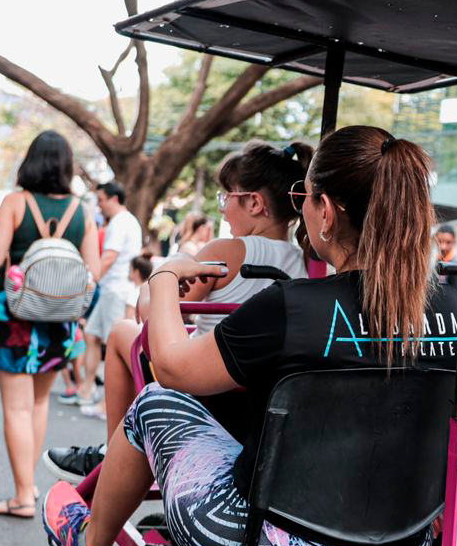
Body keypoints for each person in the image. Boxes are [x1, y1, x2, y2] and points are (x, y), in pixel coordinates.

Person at [42, 125, 457, 546]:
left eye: (306, 196)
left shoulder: (293, 307)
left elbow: (174, 369)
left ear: (325, 211)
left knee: (155, 400)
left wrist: (162, 279)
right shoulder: (455, 306)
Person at [43, 140, 311, 481]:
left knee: (121, 331)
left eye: (225, 198)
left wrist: (153, 284)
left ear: (254, 202)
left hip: (203, 390)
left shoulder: (227, 251)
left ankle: (115, 452)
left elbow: (156, 311)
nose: (223, 210)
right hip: (262, 400)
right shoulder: (307, 261)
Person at [0, 131, 100, 518]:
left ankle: (22, 496)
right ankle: (26, 486)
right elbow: (92, 272)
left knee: (15, 409)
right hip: (58, 322)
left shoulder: (16, 203)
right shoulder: (82, 210)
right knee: (40, 401)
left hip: (14, 318)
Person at [78, 180, 141, 419]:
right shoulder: (127, 221)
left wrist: (90, 280)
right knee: (92, 336)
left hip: (116, 291)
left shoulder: (121, 222)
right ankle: (87, 390)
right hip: (112, 290)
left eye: (101, 200)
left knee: (113, 347)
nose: (99, 205)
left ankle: (108, 406)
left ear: (114, 199)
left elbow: (109, 257)